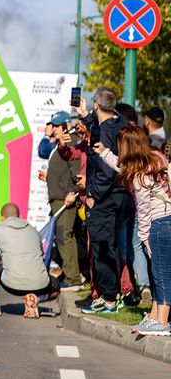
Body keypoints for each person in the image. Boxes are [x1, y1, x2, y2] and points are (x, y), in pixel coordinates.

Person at [101, 124, 171, 335]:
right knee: (159, 272)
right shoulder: (156, 158)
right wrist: (104, 153)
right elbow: (123, 167)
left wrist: (144, 238)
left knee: (161, 274)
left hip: (159, 224)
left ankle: (163, 322)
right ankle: (155, 317)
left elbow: (144, 210)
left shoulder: (139, 175)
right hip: (167, 220)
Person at [73, 88, 129, 314]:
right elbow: (97, 122)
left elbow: (105, 172)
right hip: (120, 194)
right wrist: (85, 113)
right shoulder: (119, 123)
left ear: (96, 104)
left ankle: (108, 299)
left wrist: (93, 196)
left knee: (102, 246)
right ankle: (110, 295)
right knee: (111, 245)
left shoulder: (105, 132)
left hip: (104, 196)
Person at [0, 203, 59, 318]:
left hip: (11, 284)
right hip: (40, 284)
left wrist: (1, 256)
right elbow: (41, 254)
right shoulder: (33, 230)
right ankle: (36, 298)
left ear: (2, 217)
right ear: (19, 215)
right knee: (57, 288)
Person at [44, 112, 83, 289]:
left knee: (65, 236)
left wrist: (72, 192)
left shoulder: (71, 141)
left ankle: (73, 278)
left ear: (67, 126)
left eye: (58, 126)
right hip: (58, 197)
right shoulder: (60, 143)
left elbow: (75, 169)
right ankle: (70, 275)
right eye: (54, 125)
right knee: (62, 236)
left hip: (64, 198)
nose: (54, 129)